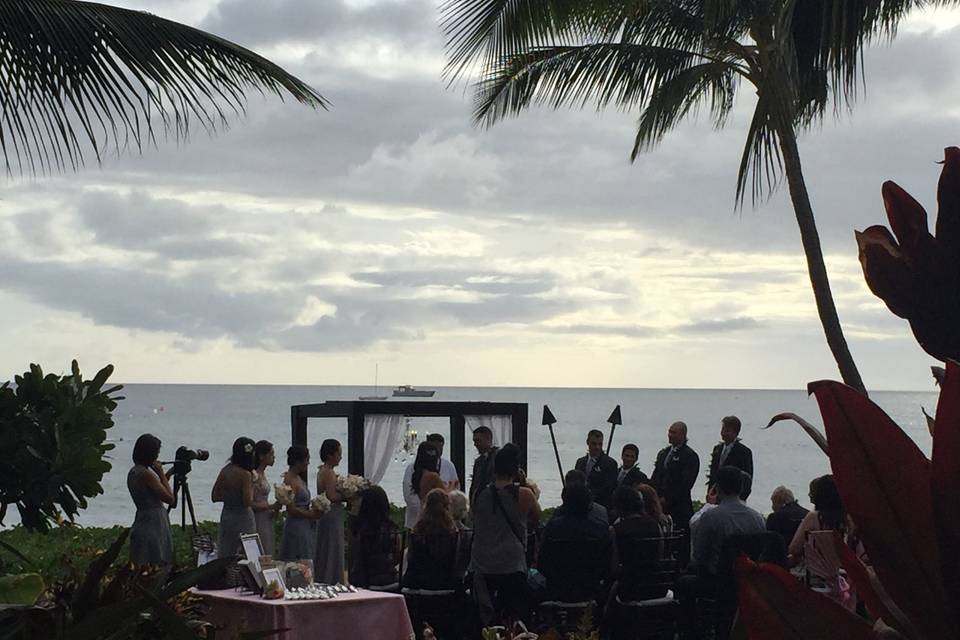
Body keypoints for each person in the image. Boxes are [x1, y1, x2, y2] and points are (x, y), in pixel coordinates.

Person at [678, 466, 765, 638]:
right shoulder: (757, 518)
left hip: (717, 582)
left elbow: (700, 557)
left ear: (718, 488)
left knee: (683, 583)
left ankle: (691, 633)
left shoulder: (712, 517)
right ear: (741, 488)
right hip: (746, 581)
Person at [470, 443, 541, 626]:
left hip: (482, 562)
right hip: (512, 563)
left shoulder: (479, 493)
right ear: (516, 469)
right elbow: (535, 518)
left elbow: (474, 518)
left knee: (486, 618)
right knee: (514, 616)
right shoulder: (524, 494)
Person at [539, 482, 612, 603]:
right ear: (589, 503)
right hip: (591, 589)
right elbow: (606, 566)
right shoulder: (601, 528)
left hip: (558, 589)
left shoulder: (553, 527)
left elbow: (542, 564)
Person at [609, 486, 665, 601]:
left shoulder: (616, 530)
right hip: (657, 587)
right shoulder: (655, 525)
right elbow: (660, 556)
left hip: (630, 589)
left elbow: (613, 568)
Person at [127, 433, 175, 565]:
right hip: (154, 522)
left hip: (143, 517)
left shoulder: (134, 471)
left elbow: (154, 489)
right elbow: (170, 498)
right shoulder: (146, 474)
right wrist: (160, 473)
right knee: (156, 559)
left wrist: (167, 475)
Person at [404, 488, 464, 591]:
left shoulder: (418, 531)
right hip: (446, 583)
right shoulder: (452, 532)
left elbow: (411, 558)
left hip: (420, 582)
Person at [650, 421, 700, 533]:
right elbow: (656, 475)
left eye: (673, 433)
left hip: (679, 507)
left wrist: (667, 498)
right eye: (669, 432)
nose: (670, 435)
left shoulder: (690, 456)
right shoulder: (664, 453)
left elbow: (686, 484)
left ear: (682, 435)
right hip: (659, 505)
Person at [212, 437, 257, 559]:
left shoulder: (225, 470)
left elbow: (215, 496)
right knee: (246, 554)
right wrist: (253, 485)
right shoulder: (245, 475)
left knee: (227, 551)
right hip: (243, 518)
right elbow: (247, 501)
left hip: (227, 516)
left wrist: (229, 498)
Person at [351, 485, 401, 589]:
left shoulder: (361, 531)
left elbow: (357, 558)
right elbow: (397, 557)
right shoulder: (392, 530)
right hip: (391, 580)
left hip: (365, 582)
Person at [788, 475, 845, 563]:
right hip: (847, 570)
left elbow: (794, 548)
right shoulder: (849, 519)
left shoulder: (814, 517)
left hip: (819, 571)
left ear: (819, 494)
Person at [280, 445, 321, 560]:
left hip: (304, 525)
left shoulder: (298, 478)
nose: (308, 463)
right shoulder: (290, 479)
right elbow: (291, 509)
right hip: (296, 525)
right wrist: (311, 514)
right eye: (306, 460)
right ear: (298, 461)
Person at [315, 438, 345, 584]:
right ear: (330, 455)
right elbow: (331, 496)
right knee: (333, 546)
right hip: (332, 514)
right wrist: (348, 496)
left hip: (327, 514)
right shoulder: (329, 472)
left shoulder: (322, 470)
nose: (340, 457)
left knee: (327, 546)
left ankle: (325, 576)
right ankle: (331, 579)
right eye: (338, 454)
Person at [707, 416, 754, 497]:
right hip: (716, 494)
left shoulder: (744, 452)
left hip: (734, 495)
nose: (723, 433)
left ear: (736, 433)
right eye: (722, 430)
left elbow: (748, 478)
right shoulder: (717, 449)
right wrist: (710, 492)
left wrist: (742, 497)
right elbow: (713, 473)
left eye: (727, 431)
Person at [574, 429, 619, 509]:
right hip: (579, 505)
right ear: (588, 442)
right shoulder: (580, 462)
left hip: (600, 506)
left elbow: (609, 489)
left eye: (600, 444)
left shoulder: (610, 463)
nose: (597, 447)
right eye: (594, 444)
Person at [251, 440, 280, 557]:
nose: (274, 457)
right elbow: (251, 503)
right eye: (271, 454)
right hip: (257, 517)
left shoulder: (263, 474)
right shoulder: (254, 475)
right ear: (262, 456)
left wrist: (275, 508)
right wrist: (270, 506)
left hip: (265, 516)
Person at [469, 426, 499, 505]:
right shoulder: (478, 461)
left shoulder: (499, 458)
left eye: (478, 441)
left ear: (488, 439)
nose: (475, 444)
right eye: (474, 441)